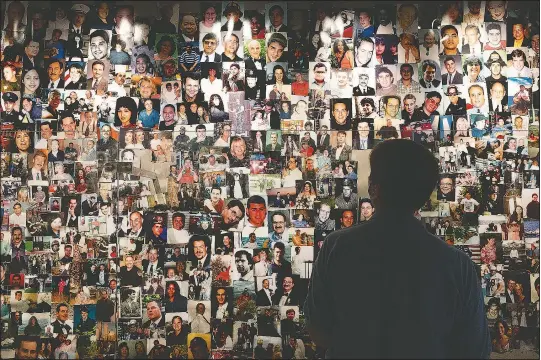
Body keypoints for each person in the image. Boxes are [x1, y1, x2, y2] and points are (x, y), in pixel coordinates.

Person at [304, 139, 490, 358]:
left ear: (374, 188)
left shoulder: (336, 247)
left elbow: (318, 331)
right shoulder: (458, 265)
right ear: (424, 195)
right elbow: (474, 350)